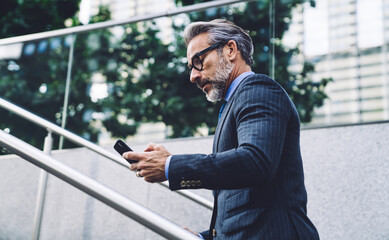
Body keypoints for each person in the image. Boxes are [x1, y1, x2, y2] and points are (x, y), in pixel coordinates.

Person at [123, 19, 319, 240]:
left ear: (230, 50)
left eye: (199, 61)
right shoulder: (234, 103)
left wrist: (170, 166)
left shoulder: (257, 89)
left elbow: (256, 161)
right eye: (190, 67)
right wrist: (205, 237)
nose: (193, 76)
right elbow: (243, 206)